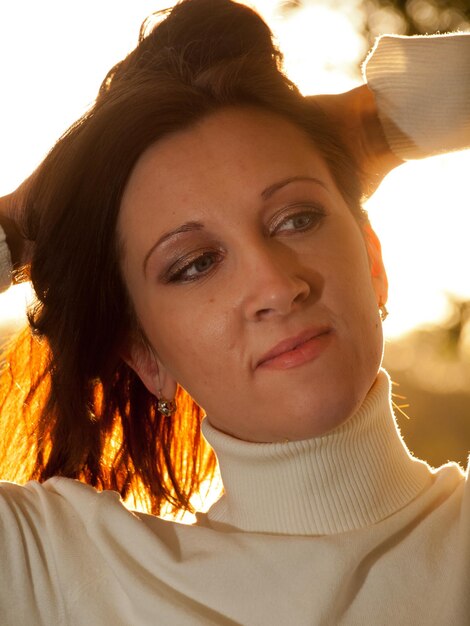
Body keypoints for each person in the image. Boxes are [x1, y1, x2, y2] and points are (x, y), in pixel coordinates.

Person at [0, 1, 469, 623]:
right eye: (194, 263)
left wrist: (373, 126)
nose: (277, 285)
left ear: (373, 261)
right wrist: (19, 227)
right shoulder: (53, 572)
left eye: (297, 219)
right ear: (145, 354)